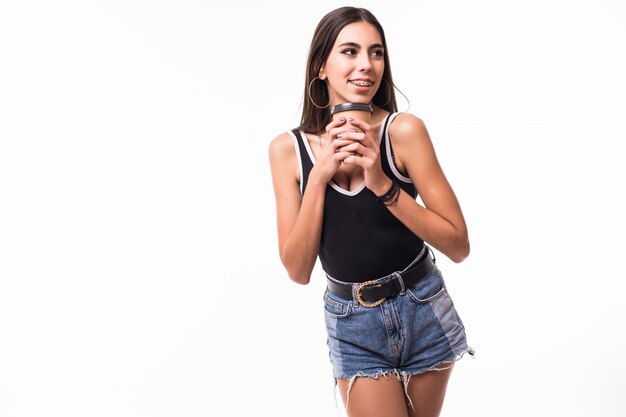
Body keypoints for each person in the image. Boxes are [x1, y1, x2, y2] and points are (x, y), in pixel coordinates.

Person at [268, 6, 473, 417]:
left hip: (422, 305)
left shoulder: (404, 132)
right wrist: (322, 175)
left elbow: (458, 244)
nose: (366, 65)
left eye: (376, 52)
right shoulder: (287, 151)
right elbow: (297, 269)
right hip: (352, 322)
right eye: (350, 51)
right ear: (320, 66)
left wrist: (383, 184)